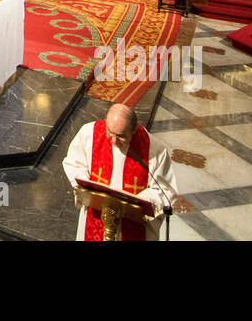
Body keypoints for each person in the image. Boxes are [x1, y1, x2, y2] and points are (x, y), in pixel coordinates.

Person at [62, 103, 178, 241]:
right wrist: (84, 186)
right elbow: (74, 162)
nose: (114, 139)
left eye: (121, 136)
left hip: (133, 227)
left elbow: (165, 190)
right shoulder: (90, 133)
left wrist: (138, 204)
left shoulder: (153, 149)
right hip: (95, 218)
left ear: (134, 129)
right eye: (110, 132)